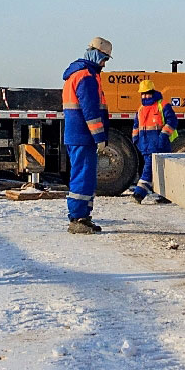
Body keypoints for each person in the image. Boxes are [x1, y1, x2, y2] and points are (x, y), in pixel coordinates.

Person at [61, 36, 113, 234]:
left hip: (79, 136)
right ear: (97, 54)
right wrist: (100, 137)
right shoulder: (86, 76)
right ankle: (77, 219)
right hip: (83, 137)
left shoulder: (78, 74)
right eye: (104, 59)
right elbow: (91, 112)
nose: (104, 64)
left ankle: (83, 216)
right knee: (83, 178)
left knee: (86, 177)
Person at [130, 79, 178, 203]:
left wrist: (163, 136)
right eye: (143, 94)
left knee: (148, 170)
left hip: (159, 145)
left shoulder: (162, 105)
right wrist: (136, 140)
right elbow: (136, 126)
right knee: (158, 171)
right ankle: (166, 195)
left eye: (147, 93)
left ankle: (139, 194)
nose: (145, 96)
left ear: (153, 92)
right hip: (145, 146)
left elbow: (172, 122)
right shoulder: (141, 109)